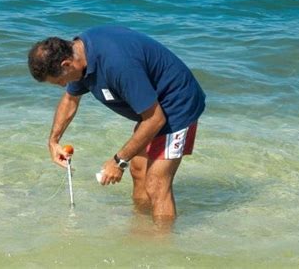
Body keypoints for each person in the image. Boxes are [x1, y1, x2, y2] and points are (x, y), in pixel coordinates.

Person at [27, 26, 206, 222]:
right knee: (139, 170)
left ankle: (161, 246)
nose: (63, 85)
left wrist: (118, 161)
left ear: (67, 64)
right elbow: (70, 99)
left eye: (59, 81)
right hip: (152, 108)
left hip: (177, 104)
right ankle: (141, 226)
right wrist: (53, 141)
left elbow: (155, 119)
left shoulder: (118, 64)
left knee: (157, 184)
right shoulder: (80, 57)